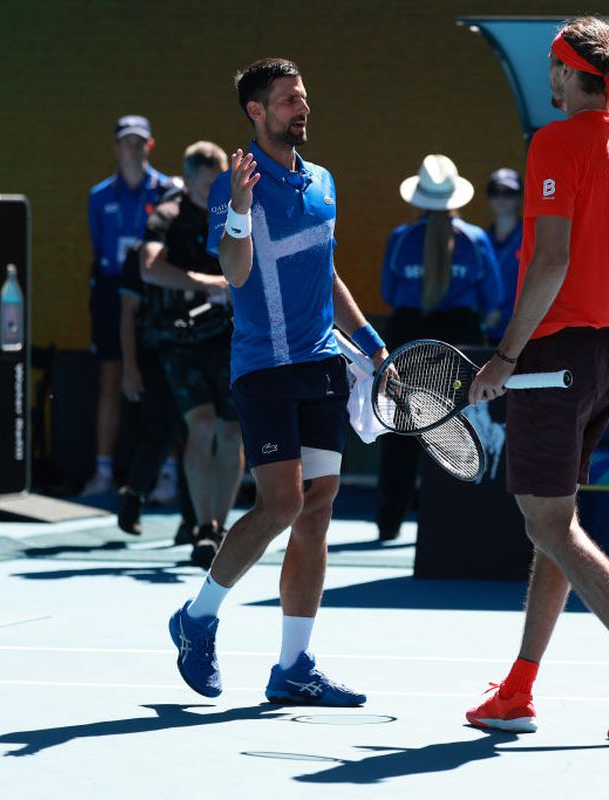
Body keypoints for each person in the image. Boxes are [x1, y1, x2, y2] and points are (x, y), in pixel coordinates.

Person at [466, 17, 609, 741]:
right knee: (553, 527)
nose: (549, 79)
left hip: (553, 360)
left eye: (553, 68)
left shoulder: (554, 143)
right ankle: (518, 690)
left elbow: (550, 262)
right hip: (606, 360)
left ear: (572, 72)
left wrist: (505, 357)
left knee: (549, 525)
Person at [168, 58, 387, 706]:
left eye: (304, 96)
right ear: (256, 113)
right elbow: (235, 273)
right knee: (282, 504)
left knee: (317, 506)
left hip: (322, 365)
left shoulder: (323, 183)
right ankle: (197, 617)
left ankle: (294, 666)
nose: (303, 107)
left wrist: (371, 342)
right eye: (289, 99)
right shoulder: (236, 188)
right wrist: (237, 206)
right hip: (265, 368)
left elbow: (326, 272)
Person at [376, 154, 503, 541]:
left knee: (400, 431)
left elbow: (387, 292)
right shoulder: (476, 239)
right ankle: (454, 524)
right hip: (459, 338)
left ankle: (389, 521)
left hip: (407, 337)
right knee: (457, 428)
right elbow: (493, 297)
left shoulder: (400, 239)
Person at [137, 141, 243, 567]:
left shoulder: (234, 212)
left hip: (229, 338)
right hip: (181, 338)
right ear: (189, 179)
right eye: (205, 185)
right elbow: (149, 267)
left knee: (232, 430)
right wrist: (206, 283)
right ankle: (202, 526)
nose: (211, 192)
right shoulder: (167, 216)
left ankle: (220, 524)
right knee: (200, 425)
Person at [82, 115, 175, 497]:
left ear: (150, 146)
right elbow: (99, 247)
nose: (133, 149)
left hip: (156, 292)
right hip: (110, 291)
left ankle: (167, 473)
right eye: (126, 142)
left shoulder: (168, 191)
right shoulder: (99, 195)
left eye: (140, 143)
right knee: (110, 379)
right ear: (116, 147)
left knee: (164, 381)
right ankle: (103, 473)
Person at [115, 179, 195, 542]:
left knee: (198, 432)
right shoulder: (140, 255)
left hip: (195, 349)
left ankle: (193, 520)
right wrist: (129, 368)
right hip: (154, 353)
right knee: (164, 430)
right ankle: (133, 494)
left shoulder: (196, 247)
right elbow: (127, 313)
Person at [482, 167, 523, 344]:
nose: (501, 198)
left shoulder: (533, 238)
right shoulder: (480, 239)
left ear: (520, 197)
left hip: (524, 333)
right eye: (495, 192)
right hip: (486, 335)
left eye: (508, 193)